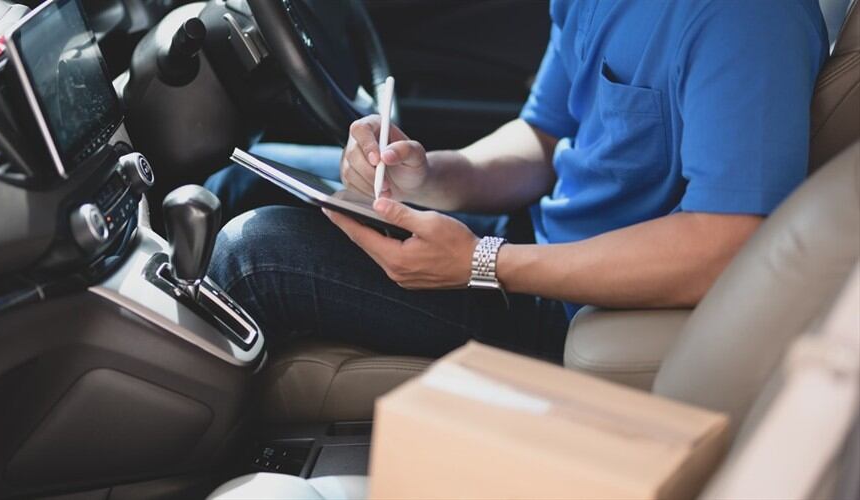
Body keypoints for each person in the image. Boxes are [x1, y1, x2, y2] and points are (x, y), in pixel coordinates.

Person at [204, 0, 828, 360]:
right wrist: (427, 174)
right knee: (248, 178)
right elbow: (543, 135)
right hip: (525, 241)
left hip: (582, 307)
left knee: (253, 256)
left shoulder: (747, 19)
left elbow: (726, 247)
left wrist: (480, 262)